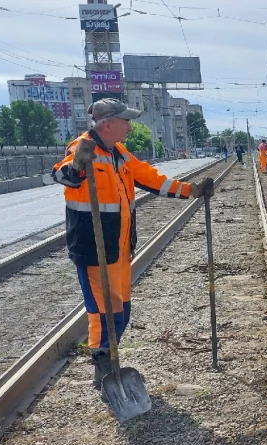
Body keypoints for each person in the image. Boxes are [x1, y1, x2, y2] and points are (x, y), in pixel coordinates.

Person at [47, 98, 213, 390]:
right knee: (102, 311)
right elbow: (63, 176)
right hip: (93, 247)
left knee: (121, 311)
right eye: (125, 121)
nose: (129, 126)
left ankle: (110, 360)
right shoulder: (82, 147)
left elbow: (153, 179)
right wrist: (76, 165)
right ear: (108, 123)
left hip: (120, 248)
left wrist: (192, 190)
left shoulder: (120, 153)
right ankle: (103, 366)